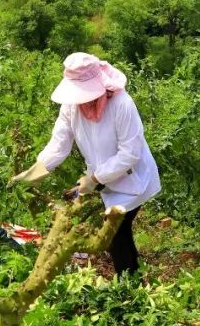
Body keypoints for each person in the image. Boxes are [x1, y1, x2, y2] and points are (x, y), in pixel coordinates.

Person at [11, 53, 161, 276]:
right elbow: (59, 144)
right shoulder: (71, 107)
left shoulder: (121, 104)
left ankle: (128, 286)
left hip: (134, 178)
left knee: (114, 234)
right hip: (105, 179)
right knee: (120, 233)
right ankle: (133, 281)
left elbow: (130, 153)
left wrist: (94, 179)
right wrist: (36, 172)